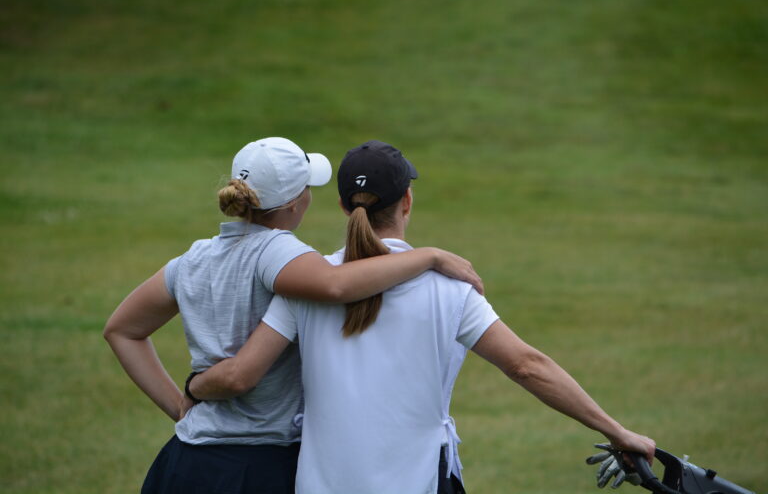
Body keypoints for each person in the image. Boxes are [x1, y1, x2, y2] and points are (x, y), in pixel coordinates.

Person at [189, 140, 656, 494]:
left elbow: (242, 372)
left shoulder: (303, 285)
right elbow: (527, 365)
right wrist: (617, 431)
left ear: (341, 208)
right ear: (407, 202)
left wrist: (194, 389)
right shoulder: (451, 289)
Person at [103, 137, 483, 494]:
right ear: (293, 204)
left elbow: (122, 330)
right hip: (262, 465)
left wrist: (179, 407)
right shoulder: (278, 251)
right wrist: (428, 256)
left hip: (184, 460)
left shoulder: (194, 257)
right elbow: (336, 285)